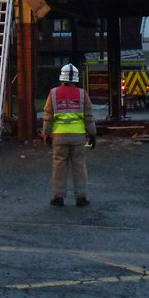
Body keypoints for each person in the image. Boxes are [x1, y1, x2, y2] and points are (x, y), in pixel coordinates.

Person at [42, 63, 97, 207]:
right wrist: (92, 135)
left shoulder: (53, 94)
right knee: (79, 166)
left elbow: (48, 117)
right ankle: (81, 198)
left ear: (61, 77)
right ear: (76, 79)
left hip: (59, 137)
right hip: (78, 138)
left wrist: (46, 134)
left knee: (59, 167)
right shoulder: (82, 94)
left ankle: (58, 198)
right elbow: (89, 117)